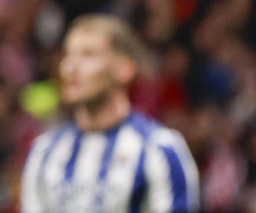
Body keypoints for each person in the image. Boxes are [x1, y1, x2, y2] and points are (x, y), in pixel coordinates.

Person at [21, 15, 199, 212]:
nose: (70, 68)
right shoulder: (45, 152)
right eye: (67, 55)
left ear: (124, 69)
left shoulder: (160, 149)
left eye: (88, 55)